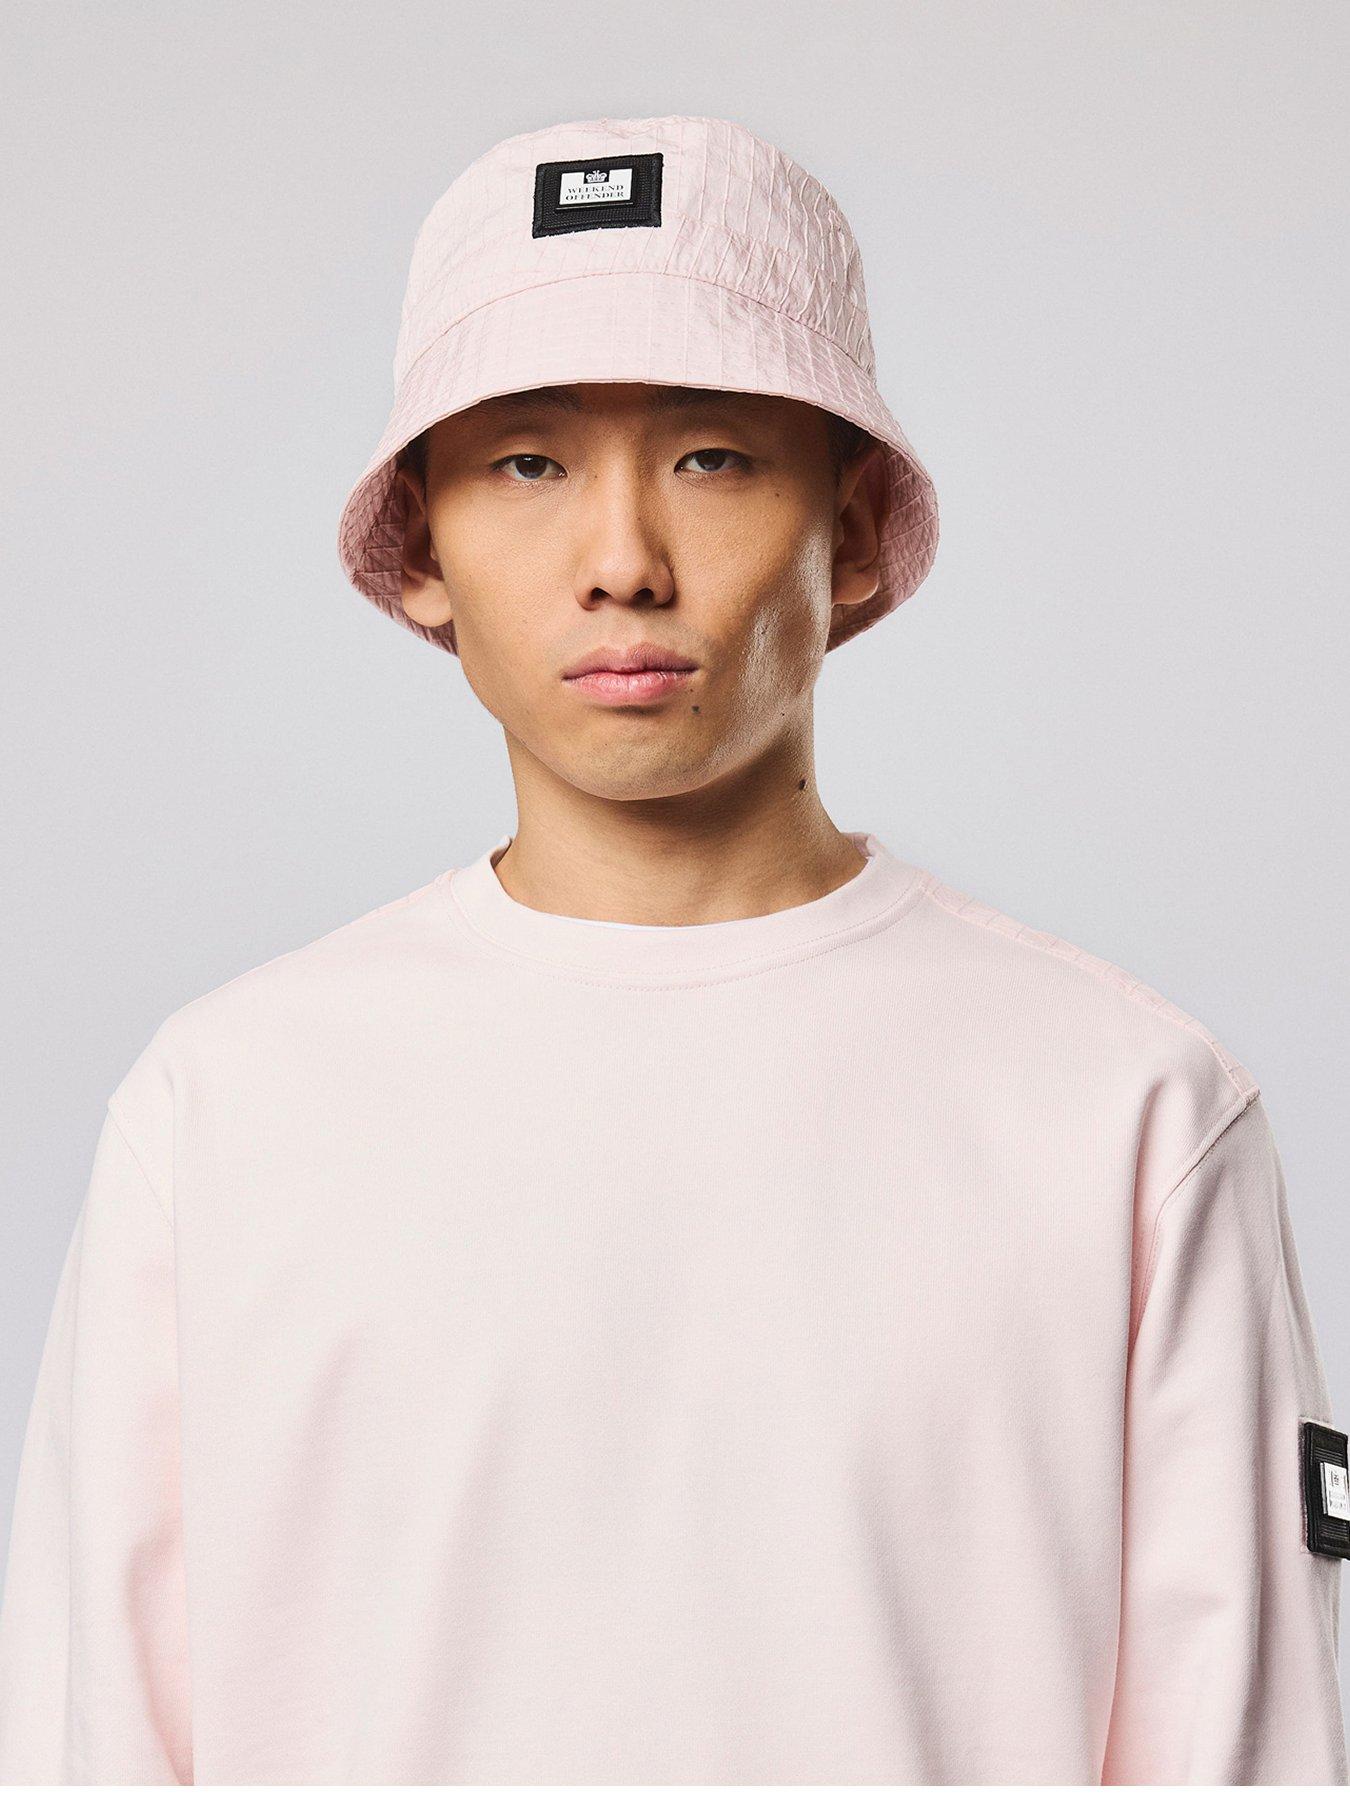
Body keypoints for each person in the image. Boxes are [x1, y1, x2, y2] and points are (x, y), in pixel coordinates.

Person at [0, 112, 1345, 1785]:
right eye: (526, 463)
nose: (622, 564)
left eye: (712, 457)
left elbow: (1244, 1758)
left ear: (854, 532)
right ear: (419, 550)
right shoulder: (222, 1109)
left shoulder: (1124, 1107)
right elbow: (93, 1747)